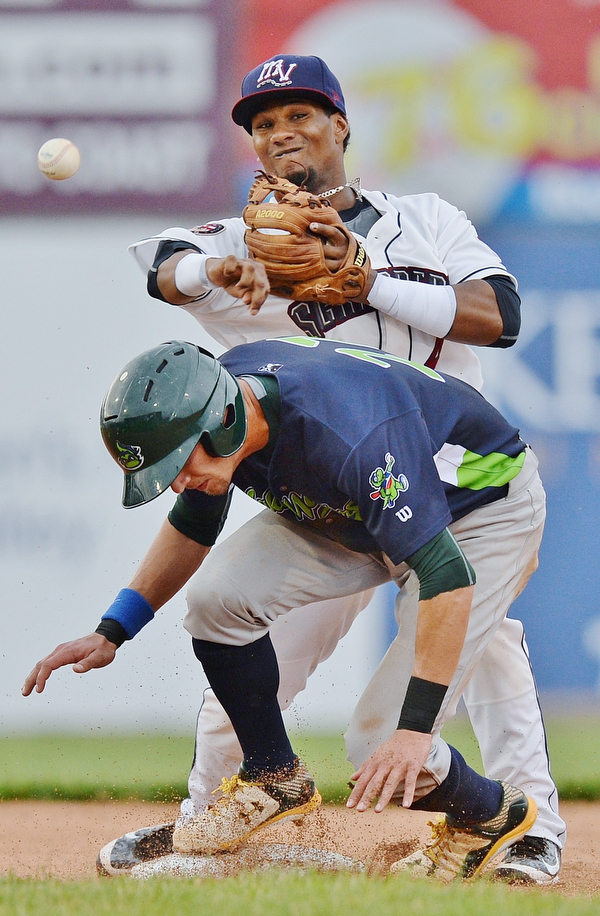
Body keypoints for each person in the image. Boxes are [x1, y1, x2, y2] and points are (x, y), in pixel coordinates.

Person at [115, 54, 563, 886]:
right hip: (320, 501)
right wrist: (212, 272)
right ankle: (207, 822)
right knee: (239, 651)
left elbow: (498, 317)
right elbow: (163, 269)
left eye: (299, 115)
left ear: (341, 124)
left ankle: (530, 825)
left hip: (451, 489)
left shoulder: (425, 221)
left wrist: (374, 281)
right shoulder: (236, 242)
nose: (281, 133)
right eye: (263, 124)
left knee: (484, 643)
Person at [24, 336, 546, 883]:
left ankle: (491, 815)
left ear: (224, 420)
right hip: (362, 515)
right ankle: (273, 774)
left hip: (479, 515)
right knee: (216, 598)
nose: (177, 480)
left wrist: (414, 732)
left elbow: (446, 575)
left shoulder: (349, 436)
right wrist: (113, 629)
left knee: (379, 741)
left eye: (178, 463)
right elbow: (194, 524)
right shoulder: (221, 408)